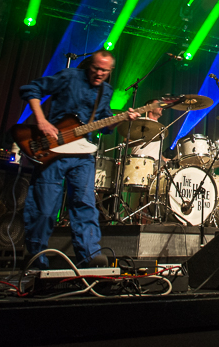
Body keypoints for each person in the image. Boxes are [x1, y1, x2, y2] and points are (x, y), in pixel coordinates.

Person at [20, 51, 138, 269]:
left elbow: (103, 124)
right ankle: (36, 256)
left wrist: (120, 119)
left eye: (105, 70)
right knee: (45, 207)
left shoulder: (106, 91)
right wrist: (42, 121)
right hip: (54, 149)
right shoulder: (69, 76)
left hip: (83, 155)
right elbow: (32, 89)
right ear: (90, 65)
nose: (99, 73)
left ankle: (90, 256)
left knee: (85, 204)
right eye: (96, 68)